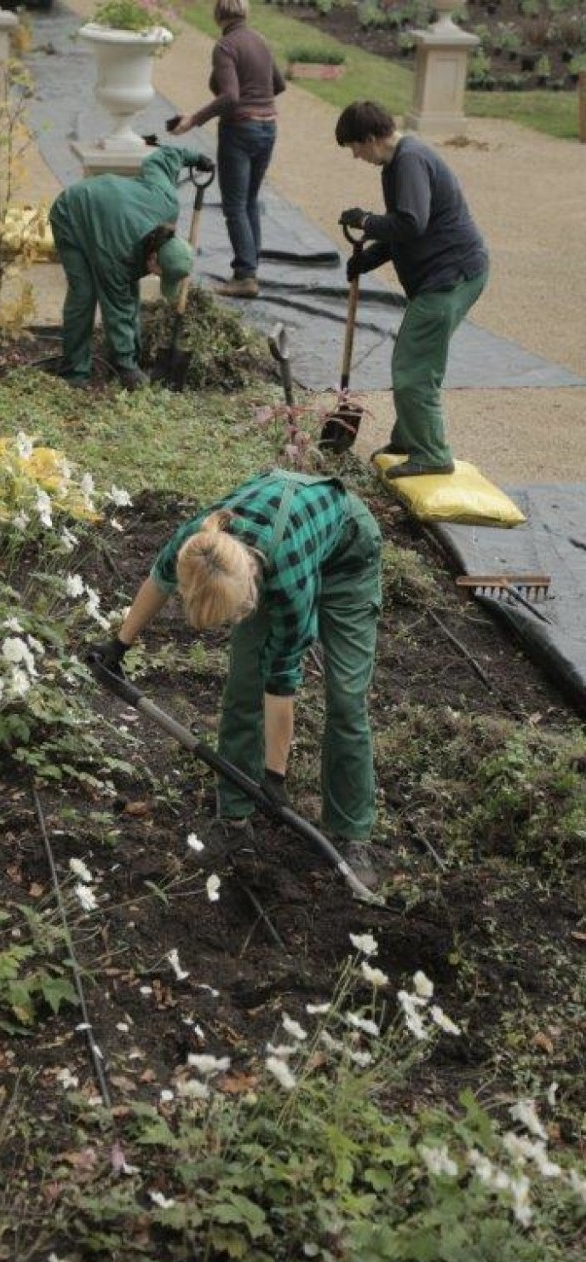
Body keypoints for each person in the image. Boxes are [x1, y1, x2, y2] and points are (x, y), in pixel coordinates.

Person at [91, 469, 383, 889]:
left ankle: (351, 832)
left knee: (347, 699)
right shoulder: (200, 543)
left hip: (346, 557)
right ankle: (234, 818)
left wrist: (275, 778)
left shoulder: (285, 581)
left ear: (249, 592)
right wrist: (118, 645)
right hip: (272, 550)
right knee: (243, 686)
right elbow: (159, 579)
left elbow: (282, 682)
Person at [335, 101, 489, 480]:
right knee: (417, 358)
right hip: (448, 275)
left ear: (371, 138)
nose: (355, 155)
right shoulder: (397, 163)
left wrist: (367, 220)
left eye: (355, 146)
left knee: (413, 367)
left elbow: (410, 223)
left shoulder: (410, 161)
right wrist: (368, 259)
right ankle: (408, 439)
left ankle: (432, 453)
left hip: (450, 277)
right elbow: (405, 230)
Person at [49, 145, 212, 391]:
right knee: (84, 294)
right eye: (159, 274)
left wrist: (195, 158)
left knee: (125, 284)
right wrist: (129, 369)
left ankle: (122, 356)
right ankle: (75, 372)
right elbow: (118, 308)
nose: (157, 278)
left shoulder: (167, 202)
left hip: (112, 213)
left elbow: (161, 160)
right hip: (73, 211)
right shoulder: (118, 256)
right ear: (154, 256)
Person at [171, 0, 285, 299]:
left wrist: (193, 120)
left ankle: (245, 276)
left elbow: (231, 97)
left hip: (240, 130)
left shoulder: (225, 46)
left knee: (235, 205)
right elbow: (279, 84)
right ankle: (249, 270)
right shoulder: (260, 40)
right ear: (244, 12)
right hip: (268, 128)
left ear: (217, 14)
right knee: (249, 200)